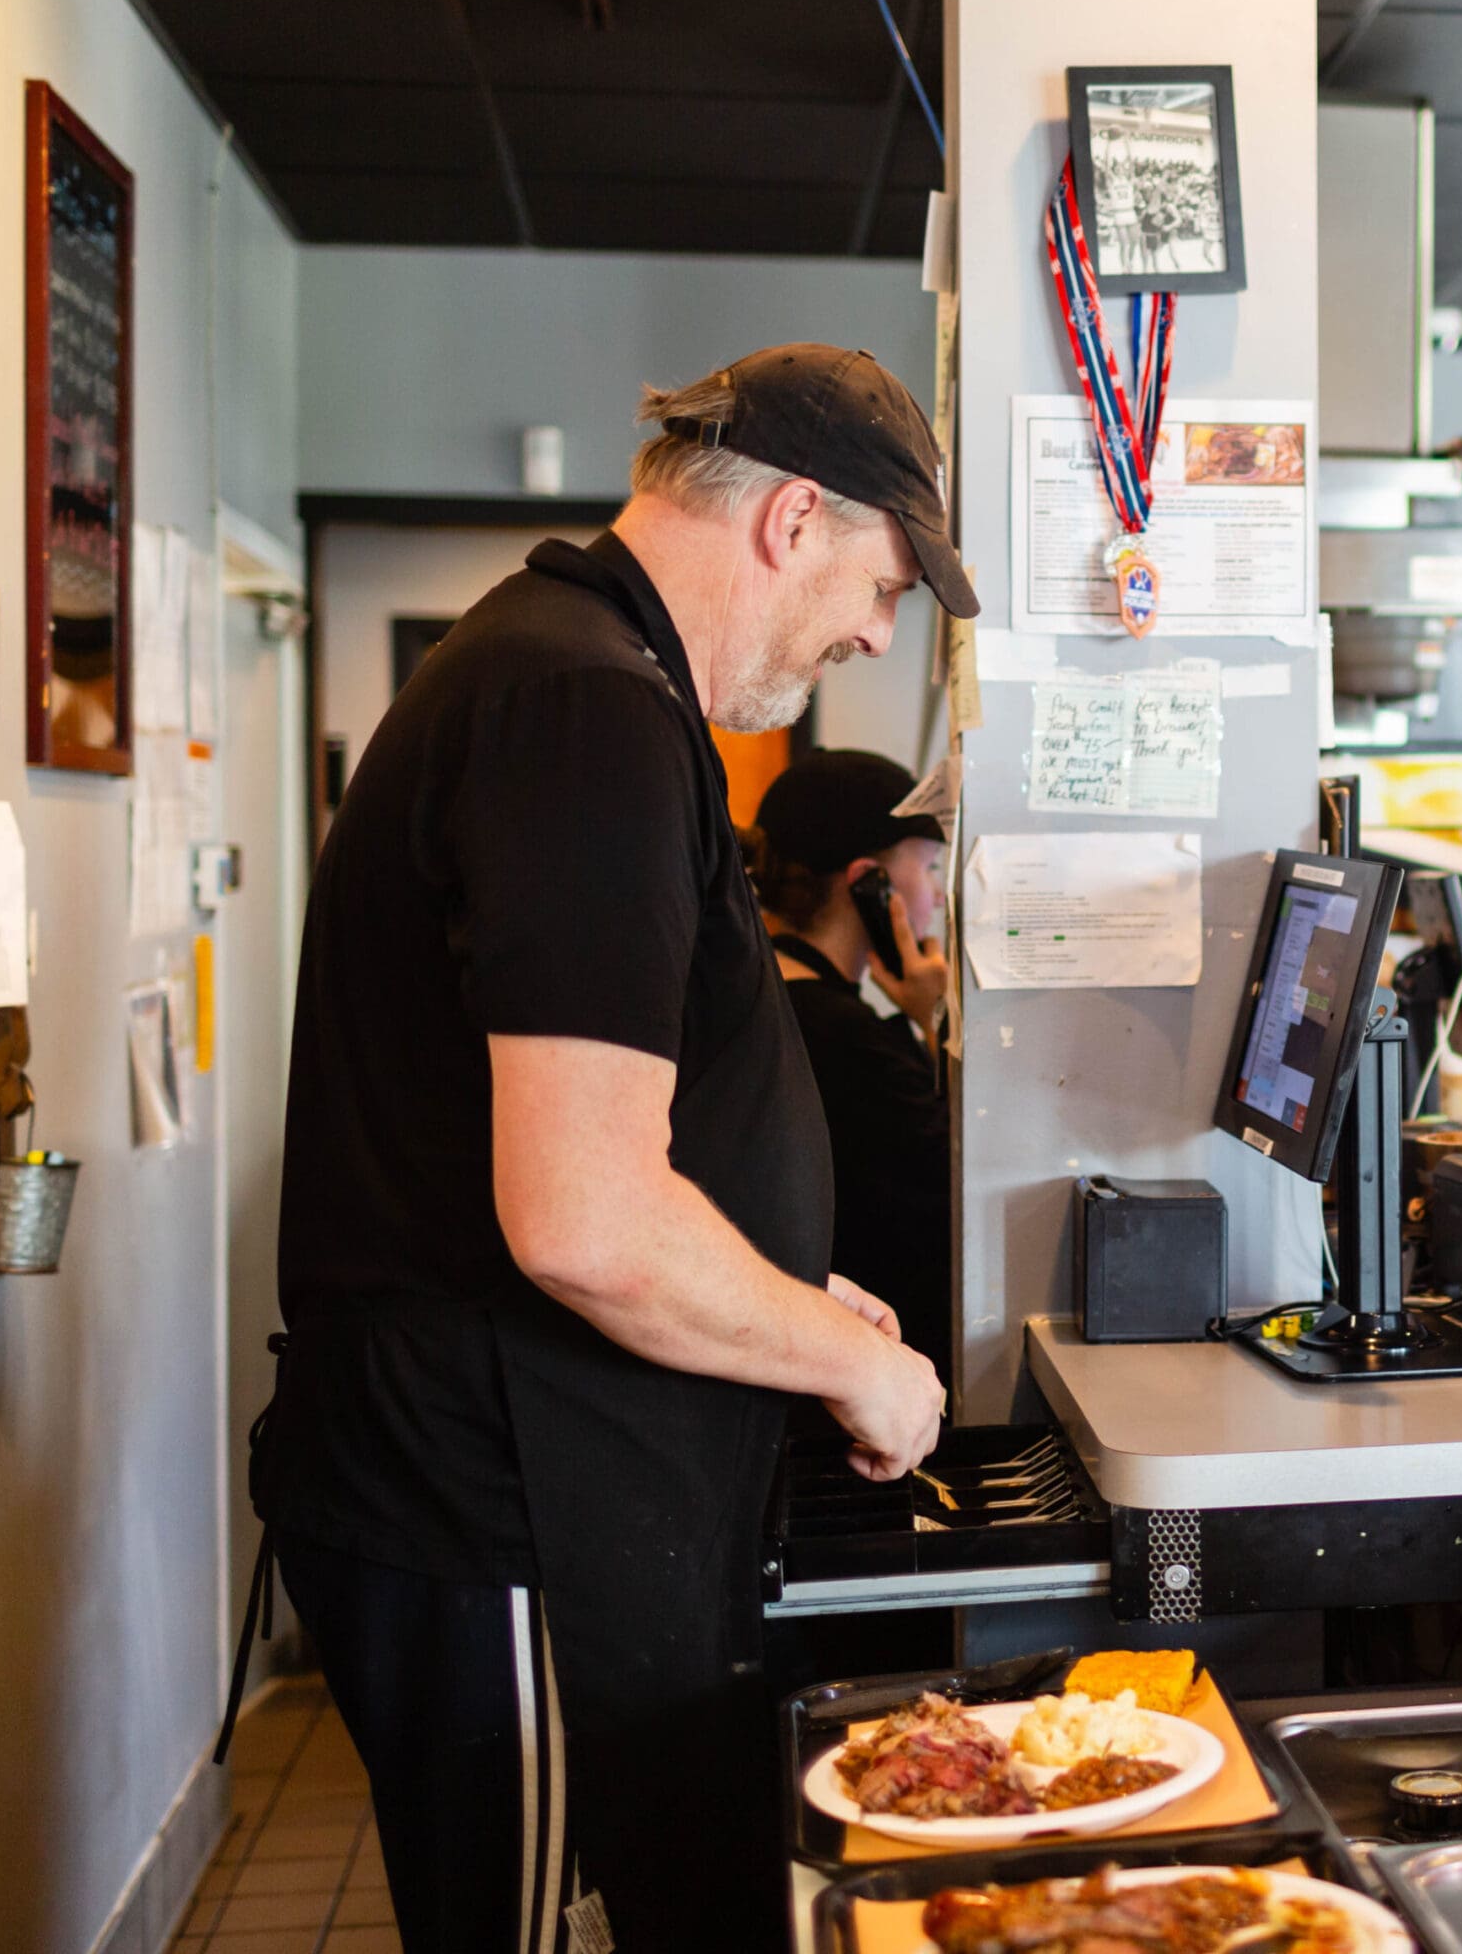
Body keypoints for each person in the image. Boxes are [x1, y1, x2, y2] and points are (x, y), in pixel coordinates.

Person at [250, 344, 978, 1953]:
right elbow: (580, 1217)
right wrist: (852, 1369)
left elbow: (622, 1145)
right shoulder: (581, 710)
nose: (874, 630)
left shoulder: (576, 680)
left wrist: (796, 1299)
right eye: (882, 582)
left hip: (543, 1480)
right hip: (501, 1508)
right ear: (793, 519)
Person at [747, 749, 954, 1393]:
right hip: (857, 1377)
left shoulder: (760, 994)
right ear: (872, 883)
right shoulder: (844, 1038)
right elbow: (954, 1186)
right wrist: (932, 1019)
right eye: (929, 867)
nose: (940, 893)